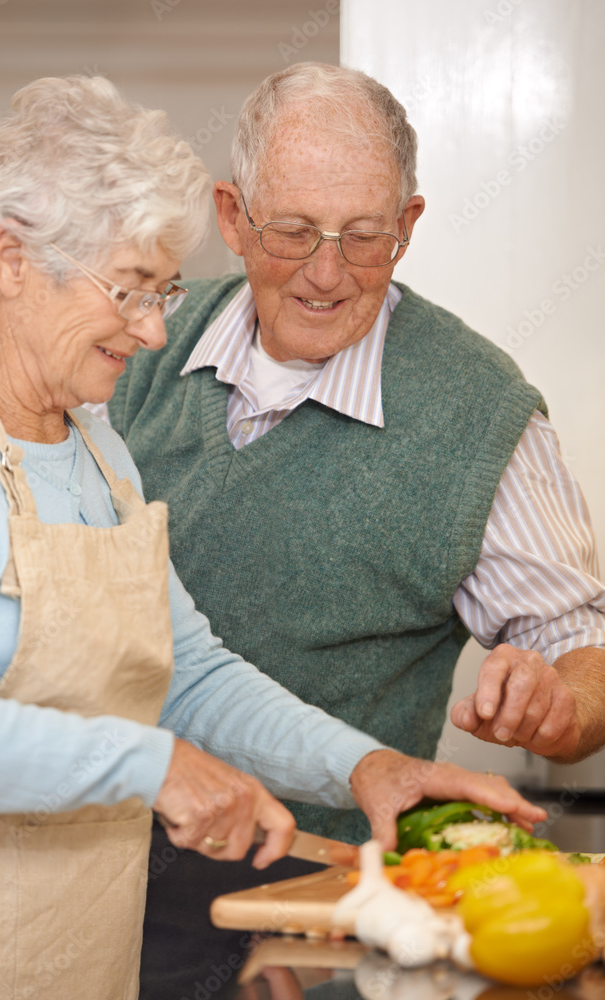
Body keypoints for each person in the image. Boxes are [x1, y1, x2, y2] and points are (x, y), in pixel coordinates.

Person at [0, 75, 543, 1000]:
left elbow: (184, 669)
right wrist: (154, 765)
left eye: (164, 293)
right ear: (14, 260)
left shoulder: (99, 448)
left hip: (91, 953)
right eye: (130, 293)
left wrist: (367, 767)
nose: (152, 333)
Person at [107, 62, 605, 994]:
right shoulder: (137, 347)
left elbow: (581, 651)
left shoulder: (480, 411)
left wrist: (560, 705)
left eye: (365, 236)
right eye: (292, 231)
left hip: (313, 915)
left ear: (408, 227)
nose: (327, 273)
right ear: (232, 215)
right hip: (86, 871)